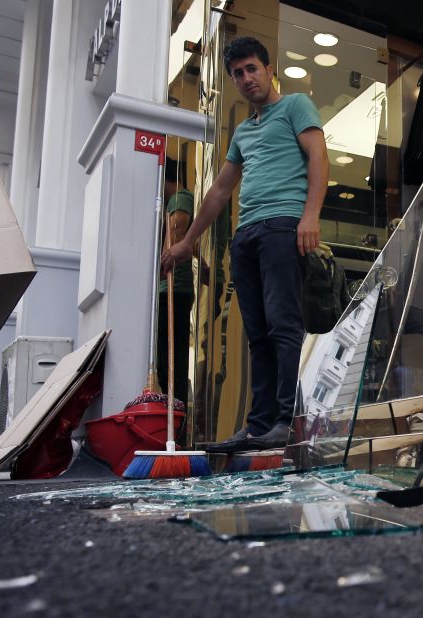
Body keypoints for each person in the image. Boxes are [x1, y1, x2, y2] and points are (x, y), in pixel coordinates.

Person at [161, 36, 328, 452]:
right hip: (246, 236)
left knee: (283, 326)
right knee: (257, 334)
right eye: (238, 73)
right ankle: (258, 427)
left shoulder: (296, 106)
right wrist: (187, 242)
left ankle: (287, 422)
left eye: (252, 68)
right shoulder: (242, 131)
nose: (246, 78)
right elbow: (220, 190)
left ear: (269, 69)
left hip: (282, 226)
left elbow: (319, 156)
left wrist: (310, 215)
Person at [157, 159, 194, 404]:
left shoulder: (179, 198)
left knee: (170, 361)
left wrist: (163, 264)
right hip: (176, 288)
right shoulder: (183, 199)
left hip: (173, 288)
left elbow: (177, 228)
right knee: (173, 359)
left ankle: (175, 413)